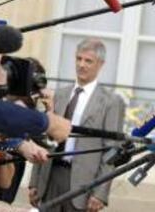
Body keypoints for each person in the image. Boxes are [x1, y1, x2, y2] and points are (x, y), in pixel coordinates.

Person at [29, 38, 125, 212]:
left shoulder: (111, 102)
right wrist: (34, 182)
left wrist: (100, 193)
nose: (82, 65)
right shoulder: (58, 95)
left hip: (84, 186)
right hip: (50, 178)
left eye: (88, 61)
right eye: (79, 59)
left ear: (100, 64)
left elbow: (112, 150)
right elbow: (45, 139)